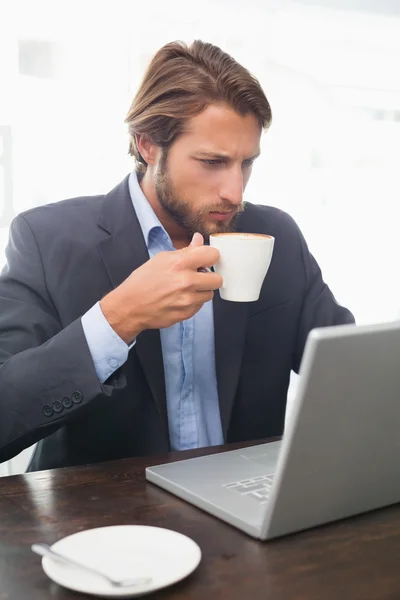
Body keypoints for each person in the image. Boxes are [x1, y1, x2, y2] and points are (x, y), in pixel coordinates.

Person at [0, 40, 354, 472]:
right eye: (211, 162)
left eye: (246, 164)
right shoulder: (45, 240)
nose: (235, 191)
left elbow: (350, 372)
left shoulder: (276, 234)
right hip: (104, 520)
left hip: (243, 506)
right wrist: (117, 319)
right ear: (147, 144)